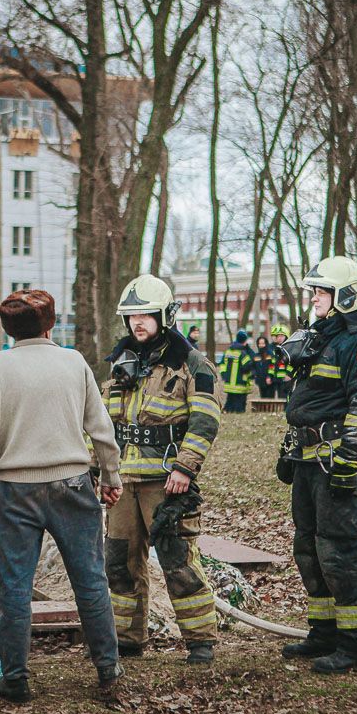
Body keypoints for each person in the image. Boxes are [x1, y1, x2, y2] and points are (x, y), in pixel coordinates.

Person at [0, 290, 124, 704]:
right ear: (50, 325)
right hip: (73, 484)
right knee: (90, 581)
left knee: (15, 586)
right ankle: (108, 671)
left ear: (8, 328)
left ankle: (16, 679)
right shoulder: (73, 361)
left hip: (16, 491)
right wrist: (111, 475)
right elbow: (100, 426)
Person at [273, 255, 357, 674]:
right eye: (314, 291)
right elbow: (308, 400)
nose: (315, 298)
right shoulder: (321, 338)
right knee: (309, 548)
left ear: (344, 295)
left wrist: (349, 457)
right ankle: (324, 633)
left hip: (335, 460)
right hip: (306, 460)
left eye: (322, 291)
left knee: (340, 551)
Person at [101, 274, 224, 664]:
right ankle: (127, 638)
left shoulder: (193, 364)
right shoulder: (121, 363)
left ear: (164, 316)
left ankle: (201, 641)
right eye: (132, 316)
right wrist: (99, 470)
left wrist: (185, 469)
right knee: (119, 563)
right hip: (123, 483)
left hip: (168, 484)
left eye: (145, 315)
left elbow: (205, 422)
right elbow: (104, 424)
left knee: (177, 561)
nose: (137, 322)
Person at [220, 330, 255, 413]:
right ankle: (238, 411)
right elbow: (248, 366)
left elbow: (222, 365)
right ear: (245, 341)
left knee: (230, 399)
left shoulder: (228, 351)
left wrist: (224, 375)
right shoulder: (243, 353)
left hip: (229, 383)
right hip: (240, 383)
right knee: (240, 402)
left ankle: (227, 410)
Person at [269, 324, 295, 401]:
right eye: (278, 336)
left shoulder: (289, 349)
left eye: (281, 336)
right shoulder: (276, 349)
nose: (279, 338)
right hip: (276, 378)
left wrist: (288, 375)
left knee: (286, 398)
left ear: (286, 337)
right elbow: (272, 364)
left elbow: (292, 364)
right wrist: (270, 376)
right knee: (280, 398)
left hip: (286, 378)